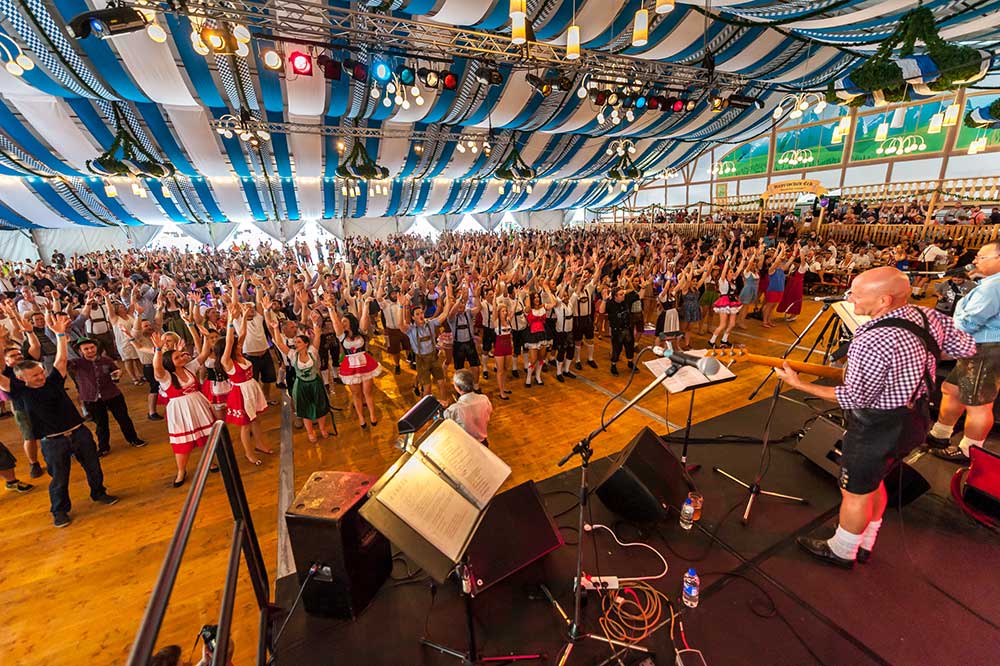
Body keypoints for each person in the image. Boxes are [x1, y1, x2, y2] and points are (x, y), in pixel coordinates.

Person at [775, 267, 975, 568]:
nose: (849, 298)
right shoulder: (925, 316)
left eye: (856, 293)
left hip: (878, 425)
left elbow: (854, 397)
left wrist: (799, 384)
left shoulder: (870, 338)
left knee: (853, 490)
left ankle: (842, 550)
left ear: (883, 300)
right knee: (873, 481)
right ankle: (863, 541)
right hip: (915, 419)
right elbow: (966, 346)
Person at [0, 311, 119, 528]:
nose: (40, 376)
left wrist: (61, 336)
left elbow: (61, 360)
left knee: (93, 467)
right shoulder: (18, 391)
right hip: (53, 441)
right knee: (59, 479)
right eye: (35, 375)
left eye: (41, 372)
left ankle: (99, 493)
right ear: (20, 379)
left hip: (79, 432)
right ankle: (59, 511)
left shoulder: (53, 380)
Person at [929, 242, 1000, 462]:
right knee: (951, 388)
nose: (975, 261)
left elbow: (970, 321)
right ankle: (939, 434)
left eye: (981, 257)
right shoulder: (987, 283)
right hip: (977, 346)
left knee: (978, 403)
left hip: (986, 348)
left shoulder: (993, 286)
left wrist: (941, 335)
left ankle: (970, 449)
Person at [152, 330, 216, 487]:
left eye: (181, 355)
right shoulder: (165, 376)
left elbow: (205, 354)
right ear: (169, 362)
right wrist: (158, 350)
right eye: (177, 357)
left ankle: (210, 462)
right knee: (183, 442)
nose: (182, 357)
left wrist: (206, 337)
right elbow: (157, 367)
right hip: (179, 410)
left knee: (204, 436)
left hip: (198, 405)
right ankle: (181, 471)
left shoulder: (189, 367)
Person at [67, 338, 145, 456]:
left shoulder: (106, 360)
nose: (90, 350)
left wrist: (118, 373)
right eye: (86, 349)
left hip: (112, 394)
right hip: (91, 399)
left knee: (124, 419)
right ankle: (103, 447)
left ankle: (133, 439)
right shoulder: (76, 363)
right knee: (101, 424)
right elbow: (63, 363)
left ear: (96, 347)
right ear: (80, 351)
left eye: (92, 347)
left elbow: (115, 373)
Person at [268, 306, 334, 443]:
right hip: (302, 385)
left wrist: (315, 323)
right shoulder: (293, 355)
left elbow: (317, 335)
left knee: (320, 407)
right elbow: (280, 343)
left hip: (315, 383)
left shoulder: (313, 352)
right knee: (304, 409)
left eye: (298, 342)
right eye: (295, 341)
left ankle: (322, 428)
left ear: (305, 343)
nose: (295, 343)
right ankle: (310, 432)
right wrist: (275, 328)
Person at [218, 306, 272, 464]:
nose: (238, 345)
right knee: (246, 425)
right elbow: (229, 341)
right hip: (241, 393)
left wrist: (244, 317)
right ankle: (249, 453)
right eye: (235, 345)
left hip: (251, 388)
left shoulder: (239, 352)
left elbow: (242, 334)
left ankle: (260, 444)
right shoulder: (227, 362)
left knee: (256, 420)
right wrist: (229, 321)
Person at [326, 291, 382, 428]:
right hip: (350, 367)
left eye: (344, 321)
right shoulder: (341, 336)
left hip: (365, 364)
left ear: (351, 322)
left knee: (367, 392)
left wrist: (366, 304)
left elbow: (364, 319)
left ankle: (372, 414)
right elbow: (335, 322)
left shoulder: (361, 332)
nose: (342, 323)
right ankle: (361, 418)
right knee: (356, 394)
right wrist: (330, 309)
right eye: (342, 321)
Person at [443, 369, 493, 446]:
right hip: (483, 443)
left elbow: (444, 421)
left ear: (458, 388)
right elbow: (488, 413)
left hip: (465, 445)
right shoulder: (484, 399)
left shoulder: (455, 408)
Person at [606, 285, 639, 377]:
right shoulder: (610, 304)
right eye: (620, 294)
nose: (623, 296)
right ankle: (613, 366)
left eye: (623, 294)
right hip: (617, 331)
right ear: (615, 296)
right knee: (617, 349)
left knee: (630, 347)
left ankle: (630, 362)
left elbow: (637, 293)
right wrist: (605, 300)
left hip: (627, 329)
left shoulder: (626, 300)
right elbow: (601, 311)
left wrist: (643, 287)